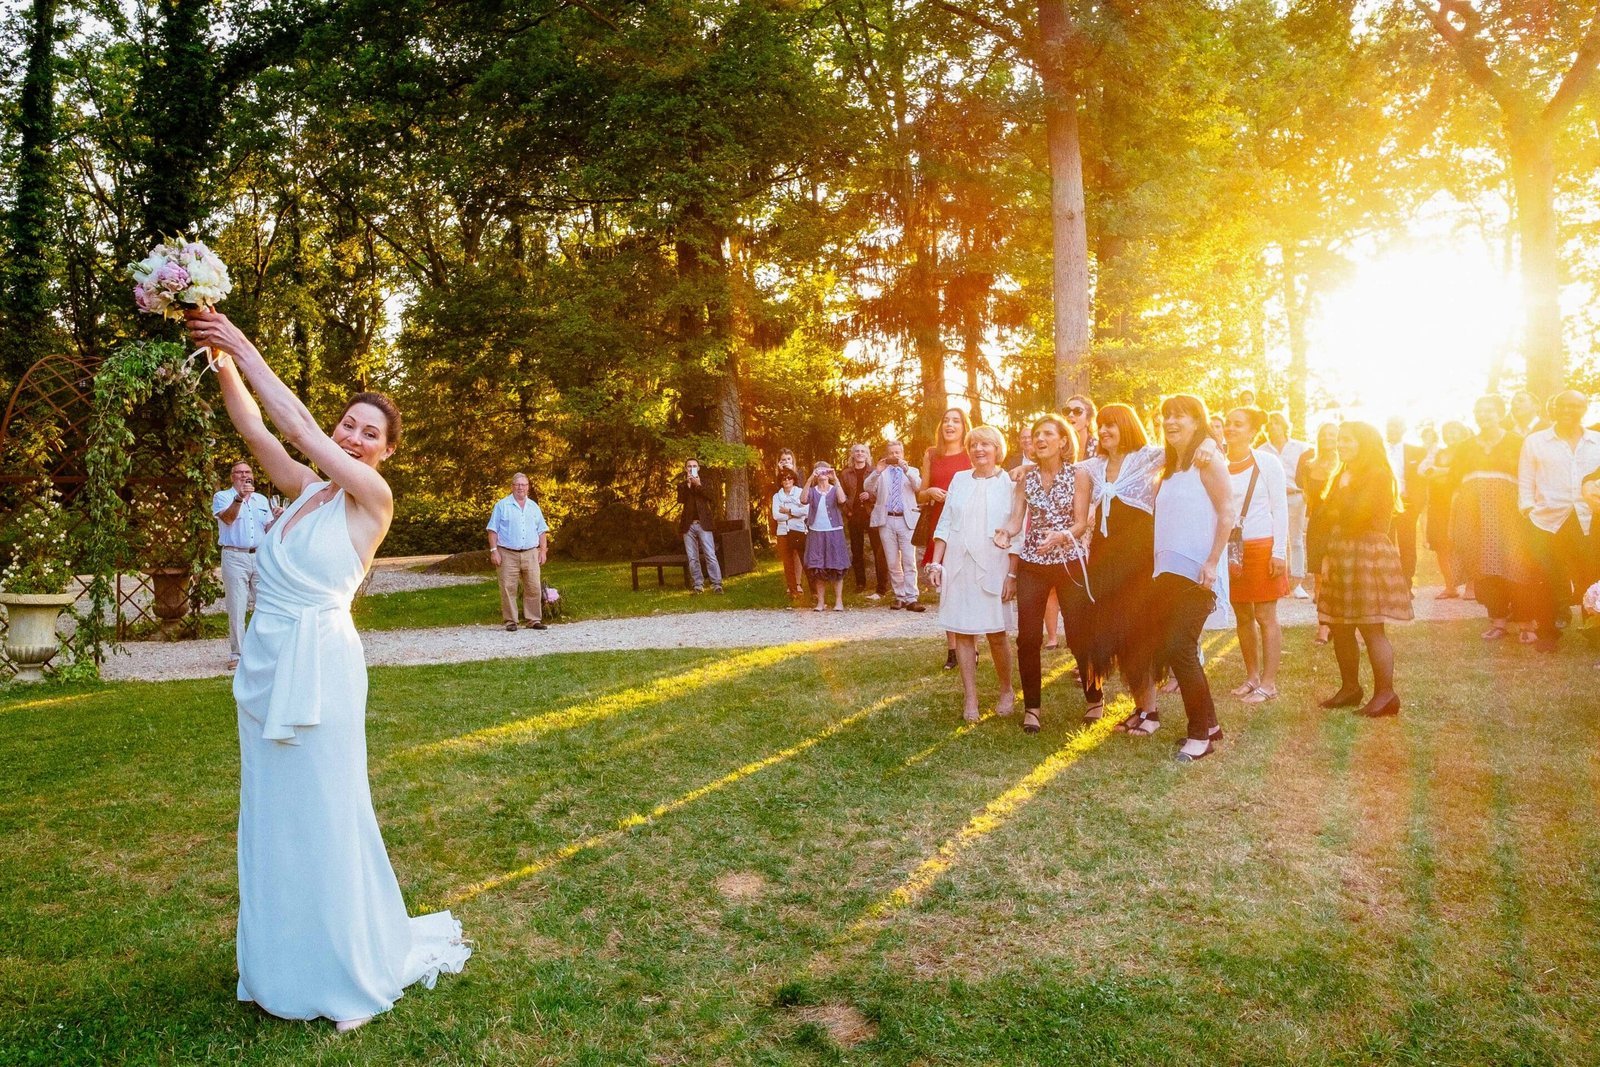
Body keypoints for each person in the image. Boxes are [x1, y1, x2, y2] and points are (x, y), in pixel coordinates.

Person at [184, 310, 469, 1031]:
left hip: (324, 668)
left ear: (387, 452)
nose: (351, 435)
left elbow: (300, 430)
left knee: (325, 810)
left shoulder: (373, 500)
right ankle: (281, 962)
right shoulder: (307, 491)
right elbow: (256, 429)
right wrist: (219, 362)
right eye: (350, 422)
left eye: (370, 432)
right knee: (276, 814)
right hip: (269, 663)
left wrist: (240, 338)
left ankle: (341, 959)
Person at [1147, 395, 1235, 761]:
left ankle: (1199, 736)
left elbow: (1228, 513)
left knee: (1180, 648)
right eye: (1166, 415)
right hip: (1168, 572)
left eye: (1180, 416)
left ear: (1197, 420)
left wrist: (1213, 561)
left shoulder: (1209, 460)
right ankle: (1210, 723)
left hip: (1198, 571)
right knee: (1176, 649)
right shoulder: (1170, 466)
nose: (1171, 421)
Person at [1002, 414, 1099, 733]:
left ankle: (1094, 698)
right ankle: (1032, 709)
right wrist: (1005, 532)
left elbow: (1081, 521)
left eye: (1047, 434)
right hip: (1033, 563)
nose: (1039, 439)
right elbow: (1017, 520)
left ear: (1062, 440)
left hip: (1069, 559)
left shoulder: (1079, 474)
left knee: (1079, 635)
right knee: (1028, 638)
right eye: (1035, 435)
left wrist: (1061, 536)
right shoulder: (1025, 479)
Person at [1317, 421, 1413, 717]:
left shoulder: (1378, 474)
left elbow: (1357, 515)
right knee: (1340, 624)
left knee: (1371, 627)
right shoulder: (1344, 473)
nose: (1341, 444)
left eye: (1348, 440)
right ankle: (1350, 688)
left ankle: (1386, 694)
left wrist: (1338, 503)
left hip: (1367, 551)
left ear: (1364, 442)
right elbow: (1324, 515)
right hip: (1342, 551)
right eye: (1340, 440)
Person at [1080, 404, 1164, 732]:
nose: (1103, 431)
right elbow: (1063, 468)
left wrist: (1207, 448)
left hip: (1138, 562)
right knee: (1120, 637)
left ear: (1127, 426)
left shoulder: (1146, 458)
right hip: (1105, 562)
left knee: (1140, 634)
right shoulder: (1095, 466)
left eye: (1111, 425)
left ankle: (1151, 712)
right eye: (1101, 426)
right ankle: (1139, 708)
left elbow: (1186, 448)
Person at [927, 426, 1018, 722]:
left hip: (995, 564)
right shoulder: (959, 480)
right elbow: (945, 522)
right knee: (963, 632)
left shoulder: (1010, 482)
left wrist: (1012, 574)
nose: (979, 449)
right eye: (974, 444)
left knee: (997, 634)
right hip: (959, 564)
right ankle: (971, 698)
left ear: (997, 449)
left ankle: (1006, 689)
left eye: (986, 444)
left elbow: (1018, 530)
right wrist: (937, 562)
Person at [1519, 390, 1600, 652]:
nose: (1568, 410)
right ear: (1553, 409)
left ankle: (1594, 632)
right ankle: (1547, 632)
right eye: (1563, 405)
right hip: (1547, 519)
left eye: (1575, 405)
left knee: (1593, 578)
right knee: (1545, 577)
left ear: (1584, 409)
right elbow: (1525, 479)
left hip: (1589, 519)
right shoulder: (1536, 441)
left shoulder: (1596, 440)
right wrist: (1527, 508)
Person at [1452, 396, 1537, 643]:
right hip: (1474, 512)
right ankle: (1498, 621)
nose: (1483, 415)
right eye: (1479, 411)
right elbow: (1456, 481)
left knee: (1516, 565)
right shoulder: (1466, 446)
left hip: (1510, 512)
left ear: (1501, 413)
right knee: (1485, 566)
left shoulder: (1517, 442)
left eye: (1489, 411)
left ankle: (1525, 623)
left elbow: (1530, 476)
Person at [1223, 407, 1290, 704]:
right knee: (1241, 615)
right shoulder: (1218, 464)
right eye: (1228, 424)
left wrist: (1279, 552)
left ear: (1252, 431)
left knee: (1265, 615)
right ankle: (1251, 677)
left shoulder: (1267, 463)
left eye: (1238, 424)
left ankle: (1269, 682)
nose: (1230, 428)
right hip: (1231, 549)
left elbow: (1281, 508)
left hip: (1262, 545)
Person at [213, 460, 282, 670]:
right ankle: (238, 654)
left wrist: (278, 519)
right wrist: (239, 498)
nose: (244, 475)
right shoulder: (223, 497)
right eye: (239, 472)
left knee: (266, 604)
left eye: (248, 471)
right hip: (235, 556)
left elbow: (267, 530)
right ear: (232, 476)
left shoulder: (261, 500)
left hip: (260, 557)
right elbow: (228, 519)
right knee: (237, 606)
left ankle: (267, 652)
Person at [921, 408, 973, 666]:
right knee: (947, 587)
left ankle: (970, 643)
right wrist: (929, 490)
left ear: (964, 426)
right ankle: (953, 649)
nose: (950, 425)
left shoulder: (971, 453)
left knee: (967, 584)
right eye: (946, 421)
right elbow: (920, 493)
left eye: (956, 421)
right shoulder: (932, 454)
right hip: (940, 523)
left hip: (967, 524)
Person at [866, 440, 925, 612]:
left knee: (909, 560)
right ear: (887, 454)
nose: (894, 456)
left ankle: (912, 597)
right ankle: (900, 596)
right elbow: (867, 487)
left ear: (902, 453)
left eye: (897, 452)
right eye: (891, 453)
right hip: (887, 520)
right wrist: (877, 472)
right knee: (892, 561)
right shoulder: (881, 473)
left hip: (906, 520)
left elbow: (919, 487)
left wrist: (906, 470)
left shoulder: (911, 471)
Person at [486, 473, 550, 631]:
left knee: (534, 586)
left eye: (524, 484)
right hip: (507, 553)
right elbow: (492, 530)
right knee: (508, 587)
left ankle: (533, 619)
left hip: (530, 552)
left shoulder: (534, 507)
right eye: (517, 484)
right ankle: (510, 621)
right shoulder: (502, 506)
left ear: (528, 487)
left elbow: (542, 531)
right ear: (512, 486)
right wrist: (494, 551)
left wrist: (543, 551)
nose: (521, 487)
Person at [1299, 423, 1342, 644]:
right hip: (1317, 525)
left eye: (1332, 434)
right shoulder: (1308, 465)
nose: (1327, 438)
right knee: (1319, 577)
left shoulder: (1345, 465)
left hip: (1341, 525)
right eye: (1323, 434)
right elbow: (1308, 496)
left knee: (1342, 575)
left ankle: (1349, 625)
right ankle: (1323, 626)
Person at [1419, 421, 1472, 598]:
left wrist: (1440, 471)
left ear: (1462, 433)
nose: (1451, 435)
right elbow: (1425, 471)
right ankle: (1450, 586)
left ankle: (1471, 586)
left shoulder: (1468, 451)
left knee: (1464, 543)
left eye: (1455, 431)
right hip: (1439, 504)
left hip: (1460, 502)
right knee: (1441, 545)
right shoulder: (1439, 452)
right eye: (1448, 432)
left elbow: (1462, 473)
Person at [1265, 412, 1311, 598]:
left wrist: (1307, 492)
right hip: (1273, 500)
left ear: (1284, 426)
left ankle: (1297, 583)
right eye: (1270, 424)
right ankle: (1277, 581)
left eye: (1276, 423)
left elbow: (1309, 472)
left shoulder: (1301, 447)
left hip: (1296, 497)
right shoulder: (1262, 450)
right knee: (1276, 540)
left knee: (1296, 539)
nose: (1273, 427)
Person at [839, 442, 887, 599]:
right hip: (854, 515)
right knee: (856, 551)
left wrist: (870, 495)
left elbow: (882, 492)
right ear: (853, 455)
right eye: (857, 451)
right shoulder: (846, 474)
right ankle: (860, 583)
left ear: (867, 455)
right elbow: (841, 496)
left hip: (872, 514)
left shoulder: (875, 471)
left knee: (878, 550)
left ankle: (882, 584)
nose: (859, 453)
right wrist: (848, 513)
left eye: (863, 451)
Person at [802, 460, 851, 611]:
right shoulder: (812, 490)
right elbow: (803, 500)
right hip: (816, 532)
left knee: (836, 565)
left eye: (825, 471)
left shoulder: (834, 488)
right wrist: (810, 479)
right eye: (819, 471)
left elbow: (842, 500)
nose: (822, 474)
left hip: (834, 532)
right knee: (818, 567)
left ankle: (838, 601)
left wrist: (836, 480)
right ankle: (820, 602)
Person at [1385, 417, 1425, 589]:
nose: (1392, 430)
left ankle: (1406, 583)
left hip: (1408, 504)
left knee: (1407, 544)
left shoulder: (1417, 451)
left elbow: (1423, 480)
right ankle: (1389, 583)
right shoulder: (1379, 450)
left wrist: (1417, 503)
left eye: (1396, 426)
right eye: (1389, 426)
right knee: (1386, 545)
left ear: (1403, 429)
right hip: (1386, 503)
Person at [676, 459, 723, 594]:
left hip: (704, 524)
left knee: (710, 554)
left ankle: (716, 584)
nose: (691, 468)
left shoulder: (706, 482)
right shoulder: (683, 485)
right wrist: (689, 485)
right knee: (692, 557)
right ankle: (698, 585)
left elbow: (712, 497)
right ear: (685, 469)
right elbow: (681, 500)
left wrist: (698, 485)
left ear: (699, 468)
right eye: (689, 466)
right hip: (688, 525)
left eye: (694, 466)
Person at [771, 467, 807, 600]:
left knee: (804, 559)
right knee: (787, 562)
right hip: (782, 531)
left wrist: (788, 511)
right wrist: (792, 515)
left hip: (798, 529)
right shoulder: (777, 496)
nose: (786, 481)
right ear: (780, 482)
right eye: (783, 479)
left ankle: (814, 591)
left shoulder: (800, 492)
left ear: (794, 479)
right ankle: (793, 591)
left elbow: (805, 511)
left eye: (789, 478)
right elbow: (776, 515)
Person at [1065, 395, 1098, 460]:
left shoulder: (1100, 448)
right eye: (1067, 411)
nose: (1070, 415)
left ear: (1088, 420)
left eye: (1077, 411)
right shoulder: (1059, 448)